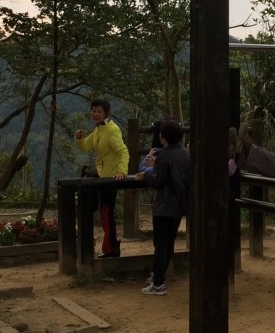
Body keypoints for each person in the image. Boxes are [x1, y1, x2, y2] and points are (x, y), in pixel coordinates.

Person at [134, 119, 190, 296]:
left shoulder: (164, 156)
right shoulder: (185, 153)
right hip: (179, 204)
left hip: (164, 205)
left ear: (163, 137)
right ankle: (159, 278)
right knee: (169, 242)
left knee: (160, 245)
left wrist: (145, 177)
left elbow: (158, 182)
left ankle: (158, 283)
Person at [75, 99, 129, 257]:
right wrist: (78, 139)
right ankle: (110, 247)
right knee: (103, 211)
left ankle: (111, 247)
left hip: (111, 178)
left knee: (106, 212)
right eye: (93, 111)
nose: (95, 114)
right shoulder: (98, 130)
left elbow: (123, 151)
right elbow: (86, 146)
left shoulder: (112, 130)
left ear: (106, 112)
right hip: (101, 175)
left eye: (99, 111)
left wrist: (121, 171)